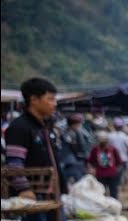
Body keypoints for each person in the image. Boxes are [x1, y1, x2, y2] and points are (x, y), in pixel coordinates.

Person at [5, 77, 62, 205]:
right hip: (31, 197)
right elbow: (14, 163)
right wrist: (24, 188)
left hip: (50, 193)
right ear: (34, 100)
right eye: (50, 99)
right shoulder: (20, 127)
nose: (55, 103)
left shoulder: (45, 126)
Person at [87, 131, 124, 199]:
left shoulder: (112, 149)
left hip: (112, 175)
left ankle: (114, 206)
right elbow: (90, 161)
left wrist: (116, 171)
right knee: (102, 193)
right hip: (100, 175)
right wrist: (92, 169)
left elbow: (119, 161)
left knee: (113, 193)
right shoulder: (95, 149)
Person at [61, 114, 94, 184]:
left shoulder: (67, 131)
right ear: (74, 124)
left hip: (75, 160)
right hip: (74, 161)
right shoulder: (75, 132)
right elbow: (81, 147)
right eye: (79, 123)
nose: (80, 125)